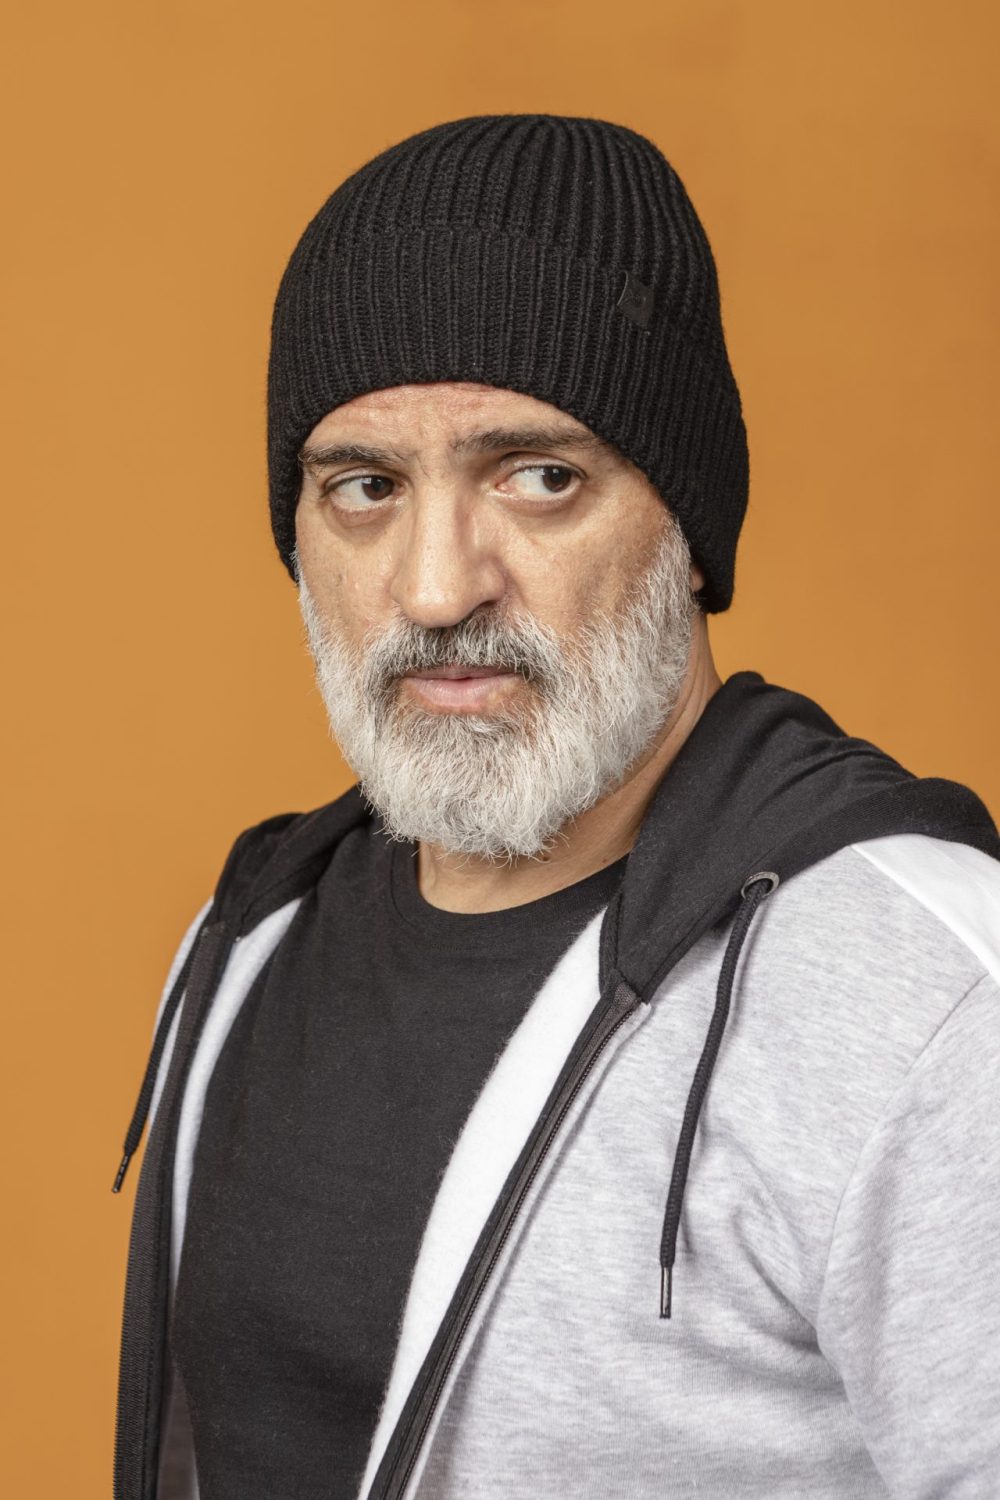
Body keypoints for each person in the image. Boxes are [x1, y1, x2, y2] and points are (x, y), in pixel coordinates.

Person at [112, 115, 1000, 1500]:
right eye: (364, 488)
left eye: (539, 478)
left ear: (685, 524)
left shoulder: (930, 1000)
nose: (434, 588)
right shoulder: (250, 941)